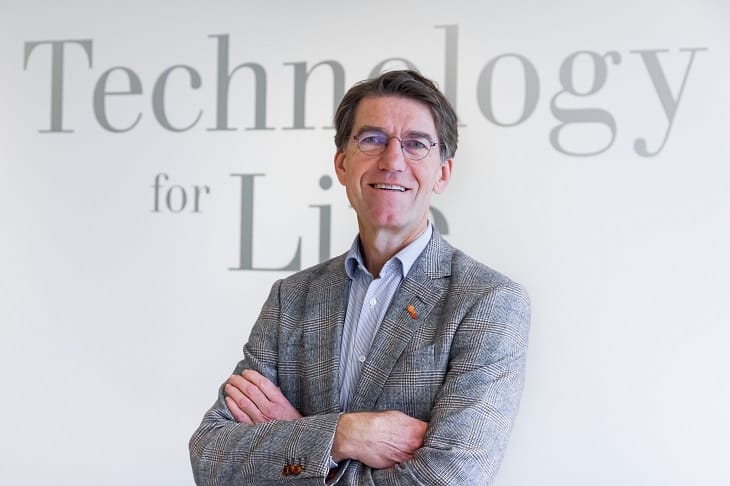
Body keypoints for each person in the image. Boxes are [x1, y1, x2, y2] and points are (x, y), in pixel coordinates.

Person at [189, 69, 530, 485]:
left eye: (416, 144)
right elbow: (211, 458)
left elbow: (449, 478)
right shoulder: (291, 299)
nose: (392, 161)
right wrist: (344, 435)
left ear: (443, 173)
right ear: (342, 163)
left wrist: (303, 444)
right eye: (372, 139)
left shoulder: (488, 302)